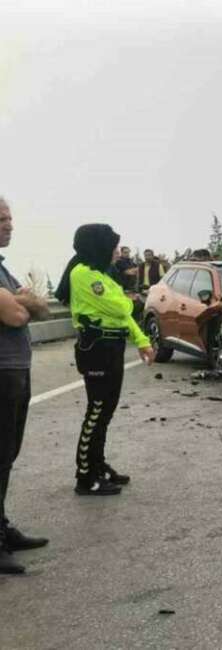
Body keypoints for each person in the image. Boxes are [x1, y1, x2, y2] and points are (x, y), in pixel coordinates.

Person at [56, 224, 156, 496]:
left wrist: (143, 341)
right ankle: (85, 476)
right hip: (96, 347)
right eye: (112, 246)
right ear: (97, 246)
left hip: (112, 345)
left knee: (107, 411)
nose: (116, 251)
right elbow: (121, 306)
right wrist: (128, 300)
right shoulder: (83, 274)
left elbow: (123, 315)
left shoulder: (103, 274)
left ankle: (97, 465)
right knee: (97, 410)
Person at [0, 197, 50, 574]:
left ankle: (1, 528)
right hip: (2, 371)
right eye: (2, 220)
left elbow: (42, 307)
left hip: (17, 368)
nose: (10, 226)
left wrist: (22, 300)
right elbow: (19, 314)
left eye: (11, 219)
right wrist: (23, 301)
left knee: (8, 454)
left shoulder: (3, 269)